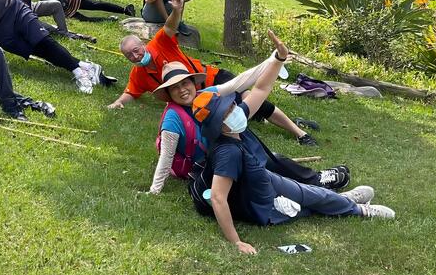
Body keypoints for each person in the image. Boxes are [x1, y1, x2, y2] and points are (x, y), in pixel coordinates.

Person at [191, 33, 394, 255]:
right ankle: (359, 210)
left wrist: (279, 58)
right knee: (304, 206)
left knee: (310, 194)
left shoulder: (234, 122)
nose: (234, 111)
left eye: (231, 107)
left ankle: (343, 200)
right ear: (218, 125)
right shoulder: (227, 152)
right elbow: (218, 197)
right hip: (259, 203)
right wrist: (236, 241)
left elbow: (260, 89)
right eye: (226, 113)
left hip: (264, 180)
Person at [106, 0, 318, 145]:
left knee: (250, 98)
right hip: (199, 100)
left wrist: (177, 10)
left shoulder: (159, 42)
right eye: (130, 55)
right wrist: (117, 103)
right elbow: (130, 92)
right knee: (238, 114)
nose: (136, 56)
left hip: (213, 79)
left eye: (137, 50)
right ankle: (280, 121)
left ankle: (299, 132)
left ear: (143, 44)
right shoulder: (138, 73)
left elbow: (170, 25)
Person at [146, 40, 350, 195]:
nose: (182, 90)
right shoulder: (173, 118)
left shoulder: (205, 95)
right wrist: (155, 190)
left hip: (225, 151)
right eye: (175, 88)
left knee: (267, 156)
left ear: (193, 83)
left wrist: (274, 59)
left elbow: (240, 82)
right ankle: (316, 188)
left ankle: (316, 179)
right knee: (260, 172)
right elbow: (166, 157)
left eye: (185, 83)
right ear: (169, 94)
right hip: (207, 168)